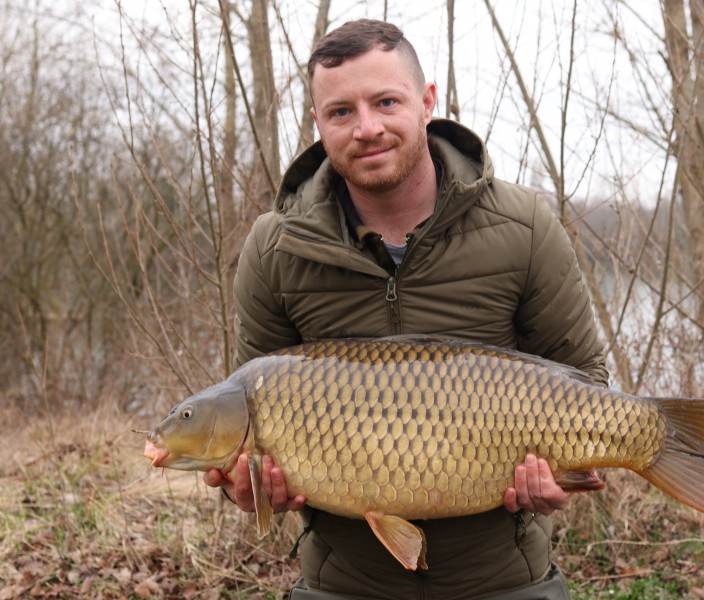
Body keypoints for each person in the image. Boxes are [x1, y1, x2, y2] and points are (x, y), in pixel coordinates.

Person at [204, 18, 609, 600]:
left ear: (426, 103)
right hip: (341, 584)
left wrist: (567, 474)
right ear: (318, 123)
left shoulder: (525, 228)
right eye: (341, 112)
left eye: (385, 101)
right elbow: (248, 406)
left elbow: (588, 383)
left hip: (505, 581)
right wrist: (244, 486)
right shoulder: (274, 249)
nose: (366, 128)